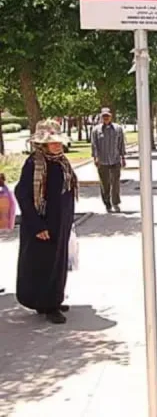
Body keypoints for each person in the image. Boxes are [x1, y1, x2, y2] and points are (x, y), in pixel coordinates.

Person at [14, 119, 78, 324]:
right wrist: (37, 226)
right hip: (42, 224)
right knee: (42, 264)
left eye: (58, 141)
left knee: (58, 262)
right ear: (42, 144)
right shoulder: (34, 164)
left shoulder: (60, 161)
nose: (57, 145)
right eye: (52, 142)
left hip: (60, 222)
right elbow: (22, 194)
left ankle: (54, 299)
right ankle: (46, 304)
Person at [91, 108, 126, 212]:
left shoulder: (118, 129)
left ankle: (116, 203)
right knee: (105, 184)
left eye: (107, 116)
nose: (106, 118)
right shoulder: (96, 130)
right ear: (101, 117)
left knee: (115, 183)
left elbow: (121, 144)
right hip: (102, 161)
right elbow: (94, 145)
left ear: (111, 116)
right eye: (104, 116)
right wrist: (95, 157)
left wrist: (123, 157)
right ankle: (107, 203)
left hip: (115, 160)